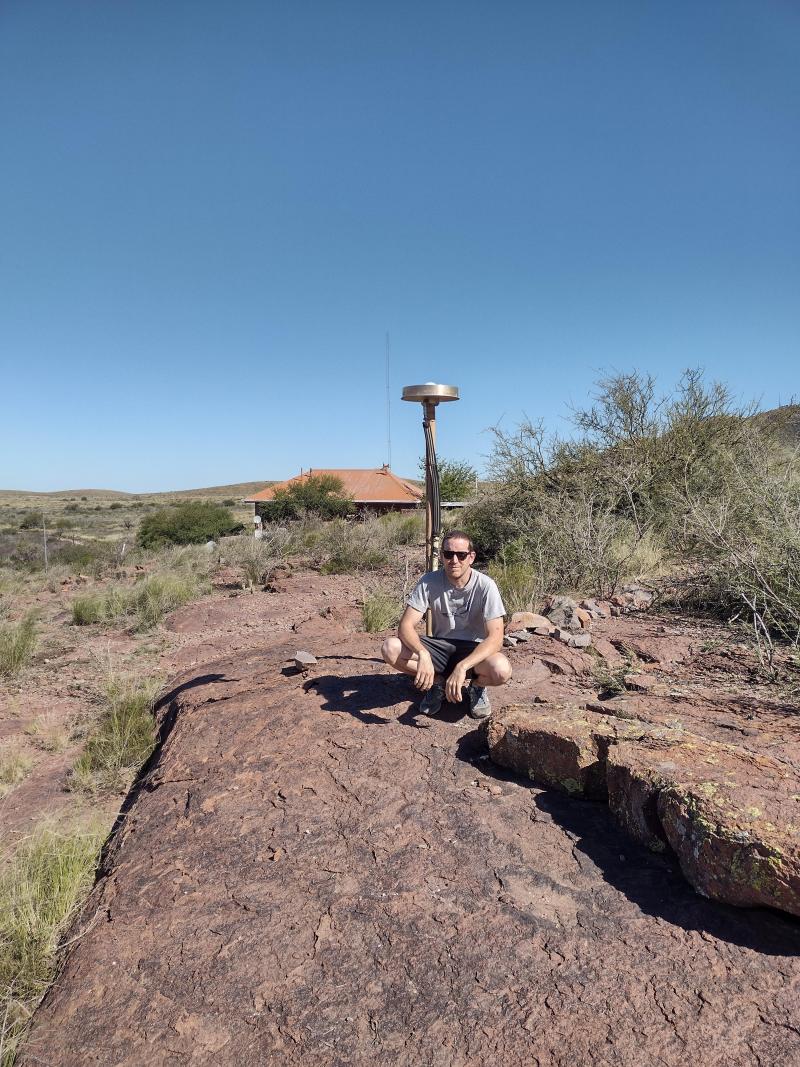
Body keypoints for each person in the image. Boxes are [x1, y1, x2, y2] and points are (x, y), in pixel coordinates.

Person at [381, 530, 511, 720]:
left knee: (501, 670)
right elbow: (405, 626)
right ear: (442, 556)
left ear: (471, 557)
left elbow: (496, 638)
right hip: (439, 648)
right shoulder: (429, 581)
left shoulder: (485, 585)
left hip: (472, 650)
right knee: (390, 648)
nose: (454, 560)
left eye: (461, 555)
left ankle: (477, 687)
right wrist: (423, 653)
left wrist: (462, 667)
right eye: (449, 554)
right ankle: (437, 683)